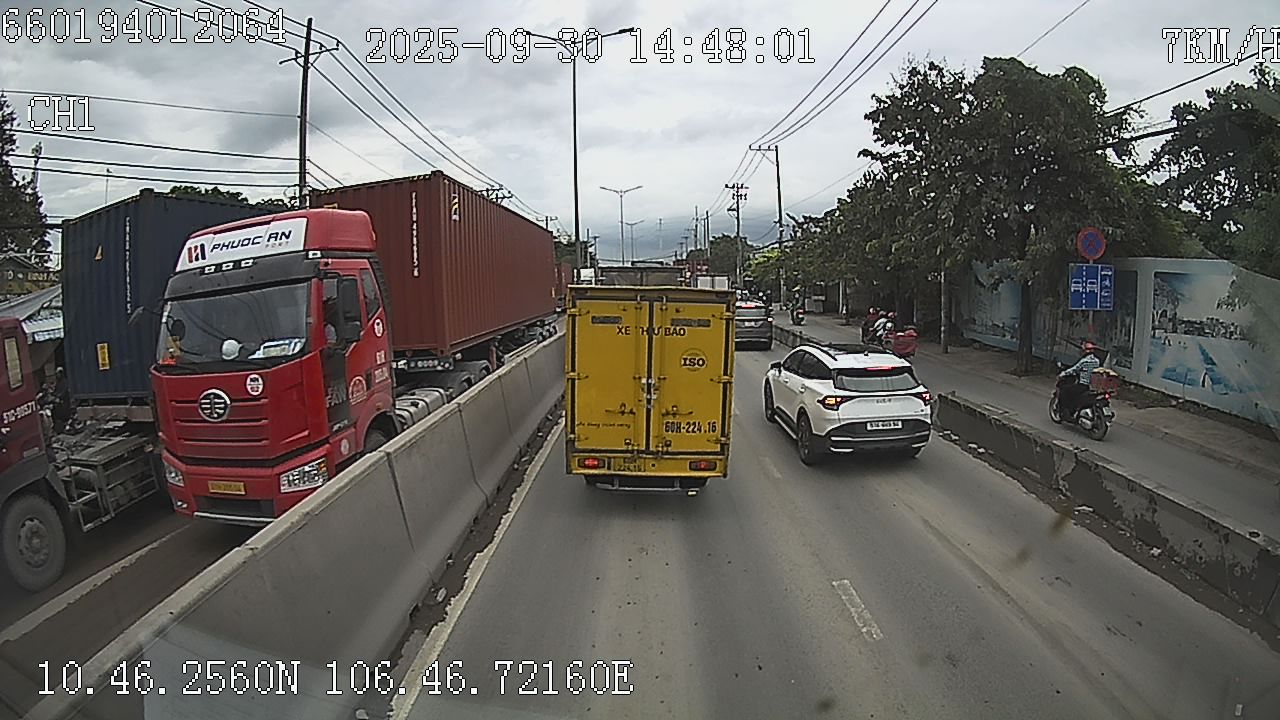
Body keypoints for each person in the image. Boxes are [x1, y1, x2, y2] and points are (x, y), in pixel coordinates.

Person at [1058, 341, 1102, 417]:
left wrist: (1062, 374)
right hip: (1092, 386)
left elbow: (1074, 369)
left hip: (1083, 385)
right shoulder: (1097, 361)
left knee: (1064, 390)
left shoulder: (1084, 361)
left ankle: (1067, 411)